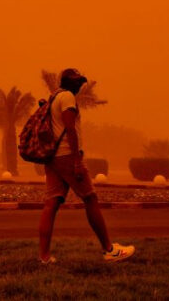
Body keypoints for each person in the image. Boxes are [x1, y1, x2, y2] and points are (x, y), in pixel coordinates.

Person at [38, 67, 135, 264]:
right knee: (90, 198)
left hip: (53, 158)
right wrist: (76, 161)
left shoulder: (54, 97)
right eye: (77, 81)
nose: (80, 85)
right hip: (67, 156)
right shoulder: (67, 98)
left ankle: (44, 257)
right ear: (68, 83)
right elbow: (70, 129)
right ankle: (109, 250)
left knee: (51, 204)